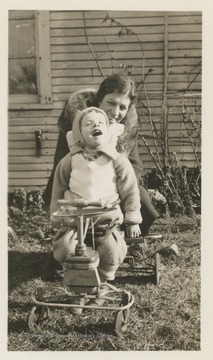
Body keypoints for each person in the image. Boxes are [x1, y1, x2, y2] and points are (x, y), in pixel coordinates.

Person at [50, 107, 142, 314]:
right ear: (80, 133)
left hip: (105, 217)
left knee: (111, 251)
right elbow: (58, 187)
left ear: (108, 130)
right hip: (76, 216)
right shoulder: (71, 160)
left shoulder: (116, 159)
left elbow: (130, 190)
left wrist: (132, 219)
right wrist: (56, 212)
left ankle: (103, 284)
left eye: (100, 123)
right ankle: (77, 290)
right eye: (88, 124)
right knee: (66, 249)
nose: (95, 126)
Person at [43, 73, 159, 236]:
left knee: (142, 199)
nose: (115, 112)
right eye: (110, 103)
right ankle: (73, 245)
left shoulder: (125, 129)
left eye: (123, 107)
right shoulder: (77, 126)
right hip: (78, 182)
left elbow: (135, 165)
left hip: (115, 181)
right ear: (98, 101)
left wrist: (115, 182)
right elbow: (61, 165)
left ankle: (126, 240)